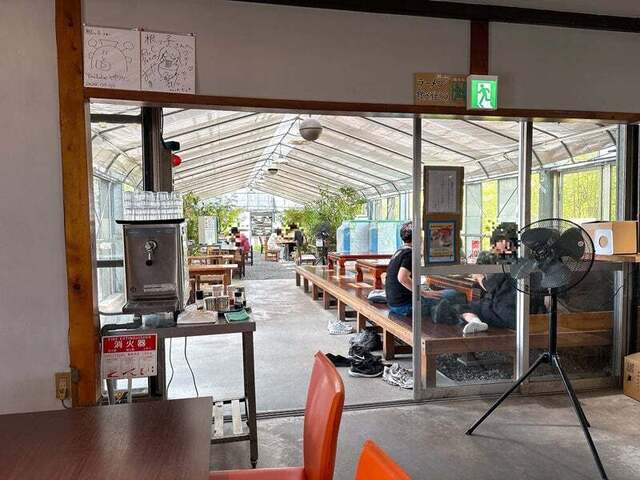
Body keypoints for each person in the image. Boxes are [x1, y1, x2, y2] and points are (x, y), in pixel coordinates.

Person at [385, 222, 465, 317]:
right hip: (406, 306)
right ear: (418, 237)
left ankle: (444, 312)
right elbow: (402, 278)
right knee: (455, 294)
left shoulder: (399, 251)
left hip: (394, 304)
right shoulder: (411, 254)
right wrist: (423, 293)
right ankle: (461, 317)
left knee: (445, 296)